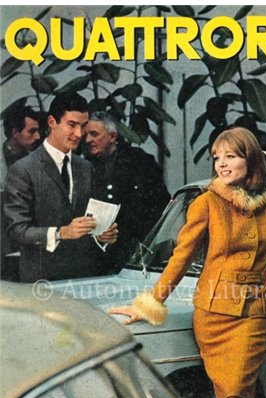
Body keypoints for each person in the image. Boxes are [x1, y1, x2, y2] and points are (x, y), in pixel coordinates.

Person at [110, 127, 266, 398]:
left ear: (250, 159)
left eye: (230, 156)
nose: (222, 164)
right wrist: (151, 302)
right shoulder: (206, 204)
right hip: (214, 316)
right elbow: (181, 258)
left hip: (254, 316)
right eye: (217, 158)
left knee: (238, 397)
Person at [4, 92, 118, 283]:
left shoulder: (85, 167)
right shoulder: (23, 170)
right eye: (71, 125)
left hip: (82, 280)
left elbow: (87, 225)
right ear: (51, 122)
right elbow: (17, 230)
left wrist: (101, 235)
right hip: (40, 283)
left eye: (83, 126)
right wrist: (61, 233)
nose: (79, 134)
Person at [85, 111, 171, 273]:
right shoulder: (84, 167)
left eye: (94, 134)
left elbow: (161, 205)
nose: (88, 140)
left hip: (137, 254)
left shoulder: (140, 162)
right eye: (86, 135)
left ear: (112, 136)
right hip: (98, 257)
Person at [1, 106, 42, 280]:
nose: (38, 137)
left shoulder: (38, 163)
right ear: (15, 132)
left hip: (29, 248)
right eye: (31, 131)